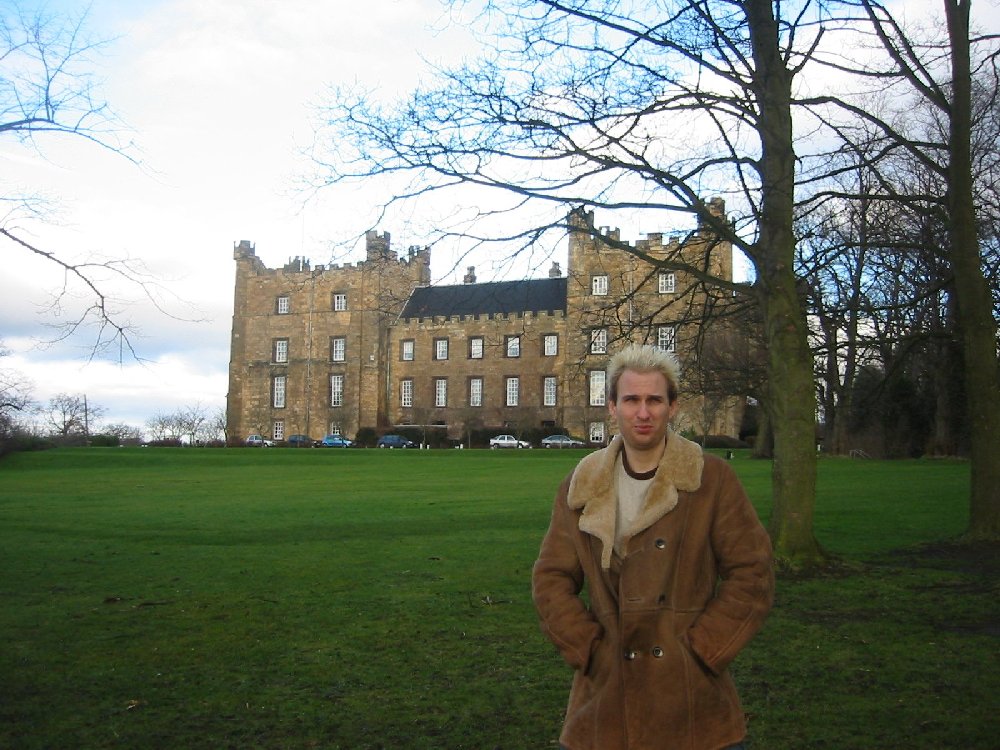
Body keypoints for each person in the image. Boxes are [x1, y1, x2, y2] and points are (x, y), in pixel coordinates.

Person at [532, 343, 774, 750]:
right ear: (612, 407)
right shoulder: (581, 485)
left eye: (654, 400)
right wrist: (588, 648)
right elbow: (551, 578)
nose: (642, 413)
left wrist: (703, 651)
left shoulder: (711, 480)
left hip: (693, 703)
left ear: (672, 407)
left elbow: (753, 573)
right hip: (604, 703)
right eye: (631, 400)